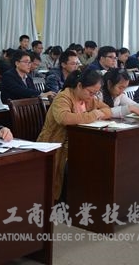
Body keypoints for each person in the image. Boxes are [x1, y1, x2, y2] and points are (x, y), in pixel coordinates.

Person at [37, 70, 111, 201]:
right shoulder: (63, 97)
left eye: (95, 93)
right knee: (84, 165)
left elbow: (107, 110)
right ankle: (68, 202)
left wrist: (97, 113)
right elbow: (64, 118)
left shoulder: (88, 99)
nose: (93, 96)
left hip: (78, 144)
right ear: (79, 86)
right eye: (90, 92)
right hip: (56, 146)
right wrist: (93, 115)